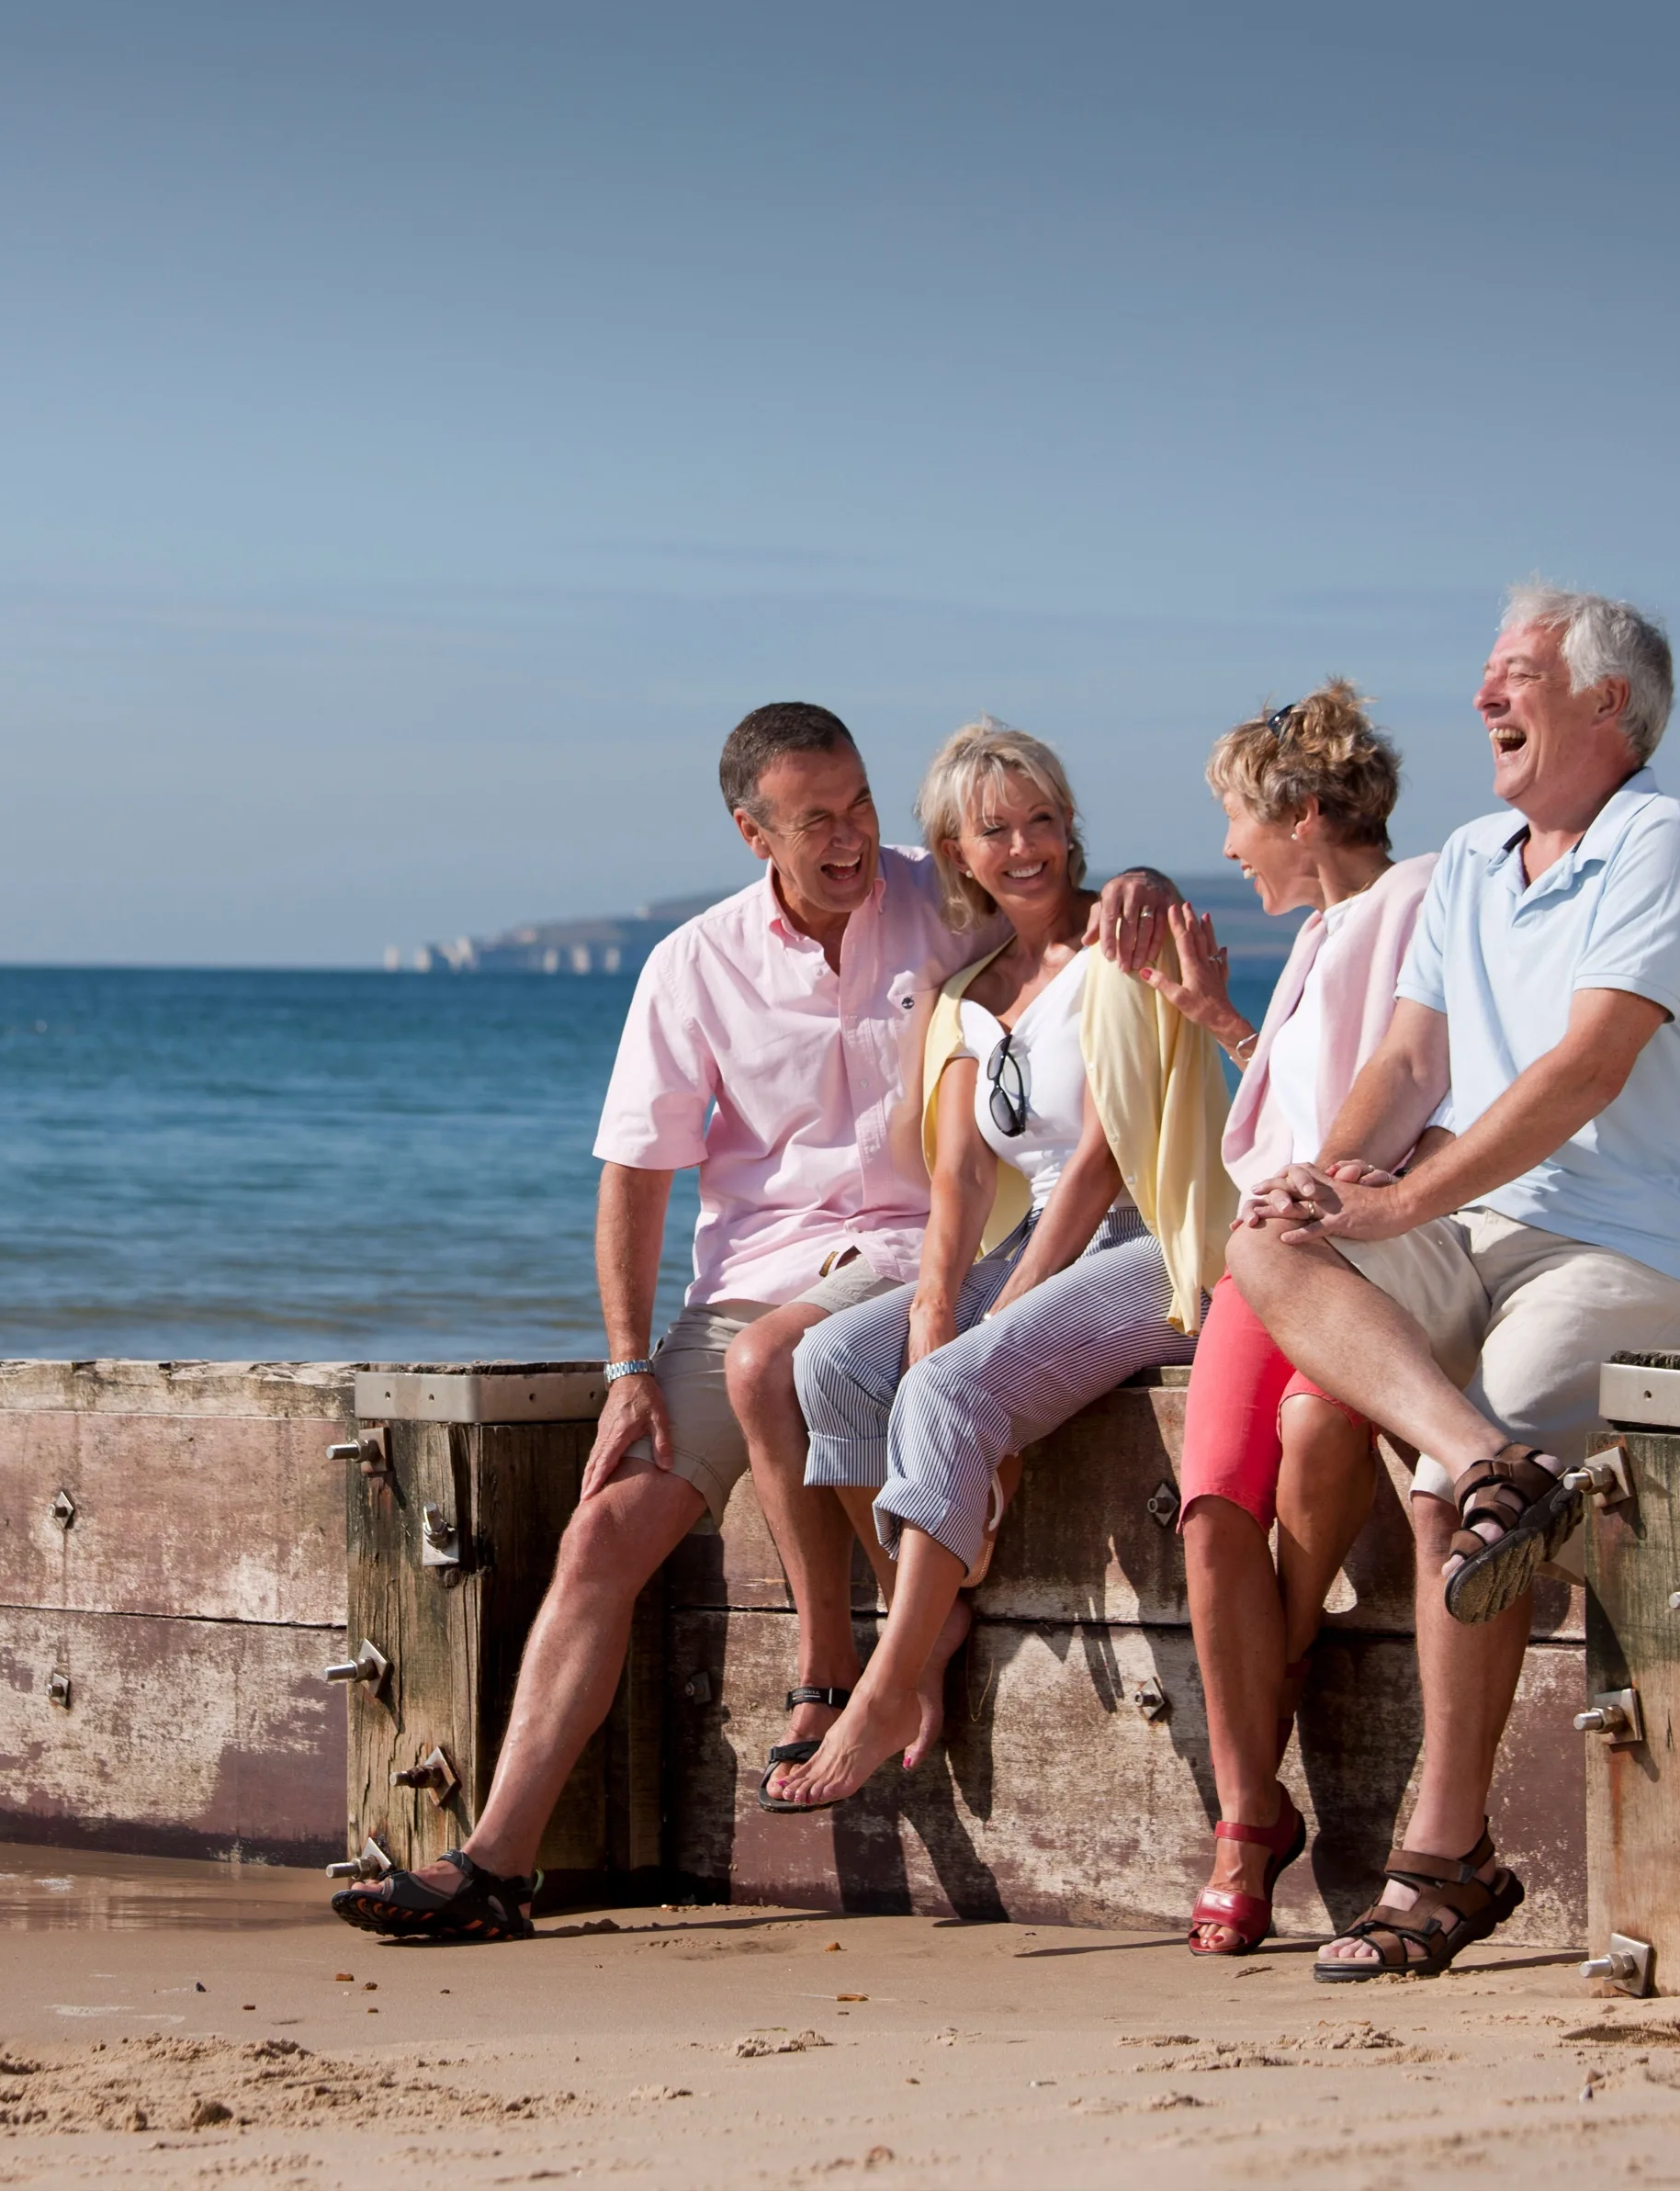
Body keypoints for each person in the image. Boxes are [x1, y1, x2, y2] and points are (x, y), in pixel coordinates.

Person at [331, 702, 1178, 1939]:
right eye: (817, 820)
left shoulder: (940, 900)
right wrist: (627, 1364)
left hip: (904, 1264)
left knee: (786, 1363)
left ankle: (840, 1663)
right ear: (752, 831)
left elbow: (1058, 889)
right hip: (740, 1290)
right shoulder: (692, 965)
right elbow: (636, 1178)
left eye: (863, 806)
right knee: (601, 1534)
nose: (851, 840)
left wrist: (1145, 879)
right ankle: (496, 1864)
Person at [1229, 586, 1680, 1982]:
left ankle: (1441, 1859)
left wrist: (1405, 1197)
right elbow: (1411, 1064)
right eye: (1485, 673)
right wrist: (1329, 1176)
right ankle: (1489, 1465)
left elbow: (1586, 1065)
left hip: (1639, 1248)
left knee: (1440, 1485)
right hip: (1485, 1226)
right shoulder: (1471, 857)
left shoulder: (1668, 842)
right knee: (1263, 1243)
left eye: (1515, 675)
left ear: (1608, 708)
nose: (1481, 700)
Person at [762, 721, 1231, 1813]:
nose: (1026, 847)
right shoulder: (970, 990)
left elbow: (1106, 1161)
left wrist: (993, 1317)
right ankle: (931, 1610)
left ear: (1072, 829)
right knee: (832, 1362)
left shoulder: (1128, 951)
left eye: (1043, 821)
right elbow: (963, 1178)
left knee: (951, 1382)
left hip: (1155, 1242)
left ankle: (886, 1680)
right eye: (996, 830)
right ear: (957, 853)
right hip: (1030, 1245)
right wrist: (934, 1301)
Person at [1128, 682, 1436, 1955]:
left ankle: (1266, 1729)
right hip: (1273, 1248)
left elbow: (1398, 1092)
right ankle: (1254, 1809)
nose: (1229, 849)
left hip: (1356, 1248)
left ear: (1304, 814)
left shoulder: (1416, 900)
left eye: (1239, 822)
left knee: (1316, 1448)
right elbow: (1305, 1108)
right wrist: (1220, 1023)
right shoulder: (1318, 933)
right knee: (1208, 1516)